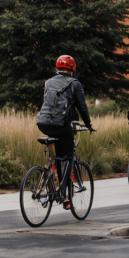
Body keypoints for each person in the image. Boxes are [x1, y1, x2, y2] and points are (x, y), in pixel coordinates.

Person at [36, 54, 92, 208]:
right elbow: (82, 107)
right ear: (72, 68)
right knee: (68, 157)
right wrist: (88, 124)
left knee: (59, 157)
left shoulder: (48, 82)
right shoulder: (75, 84)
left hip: (42, 123)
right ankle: (63, 195)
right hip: (61, 125)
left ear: (57, 67)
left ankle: (61, 193)